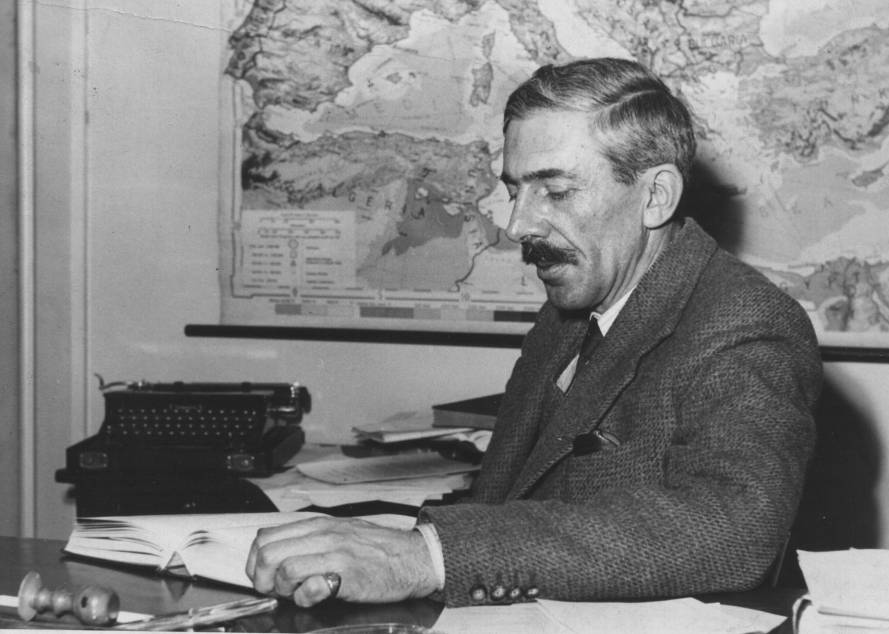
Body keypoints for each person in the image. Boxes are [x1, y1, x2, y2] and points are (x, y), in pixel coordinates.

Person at [245, 57, 822, 608]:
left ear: (655, 196)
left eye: (557, 191)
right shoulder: (572, 311)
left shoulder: (746, 324)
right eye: (515, 190)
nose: (519, 225)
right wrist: (372, 549)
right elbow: (513, 496)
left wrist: (428, 556)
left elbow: (735, 526)